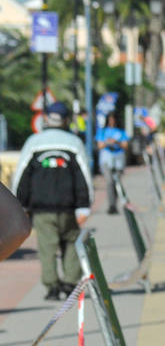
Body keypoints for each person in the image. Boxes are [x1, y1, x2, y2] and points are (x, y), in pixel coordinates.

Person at [11, 103, 92, 300]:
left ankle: (52, 286)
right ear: (65, 120)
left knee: (47, 246)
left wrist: (20, 204)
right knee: (72, 242)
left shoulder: (33, 142)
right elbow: (84, 176)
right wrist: (84, 206)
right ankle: (71, 282)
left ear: (45, 118)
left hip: (42, 207)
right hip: (68, 206)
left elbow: (22, 175)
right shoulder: (74, 143)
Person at [95, 113, 129, 215]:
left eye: (113, 120)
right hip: (106, 158)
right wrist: (107, 142)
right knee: (109, 182)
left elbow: (125, 145)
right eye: (110, 120)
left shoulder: (121, 132)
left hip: (118, 159)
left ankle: (115, 203)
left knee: (116, 182)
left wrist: (117, 142)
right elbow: (99, 145)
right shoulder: (102, 131)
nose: (111, 122)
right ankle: (111, 205)